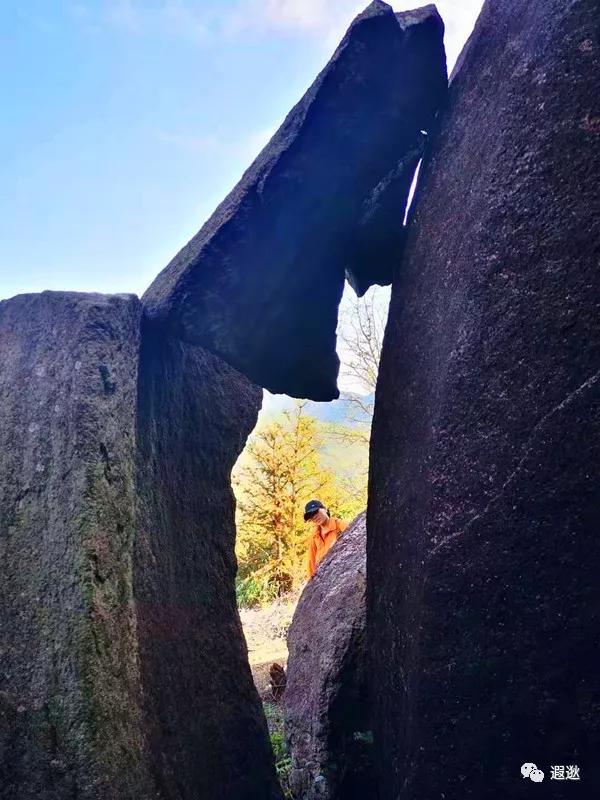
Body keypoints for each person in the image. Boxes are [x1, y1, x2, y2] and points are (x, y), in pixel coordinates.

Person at [304, 499, 348, 580]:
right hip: (323, 580)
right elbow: (311, 561)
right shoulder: (314, 536)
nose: (314, 517)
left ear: (325, 509)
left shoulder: (340, 525)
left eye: (316, 512)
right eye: (311, 516)